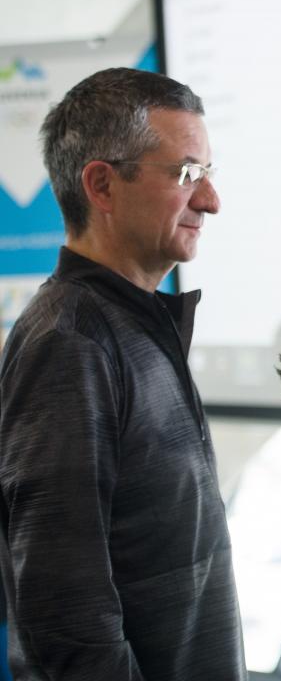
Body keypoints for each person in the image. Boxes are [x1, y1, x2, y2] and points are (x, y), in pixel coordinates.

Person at [0, 68, 246, 679]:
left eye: (208, 173)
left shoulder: (132, 323)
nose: (210, 200)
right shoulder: (70, 344)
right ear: (103, 186)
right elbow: (65, 616)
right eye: (186, 174)